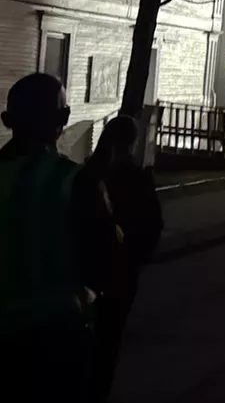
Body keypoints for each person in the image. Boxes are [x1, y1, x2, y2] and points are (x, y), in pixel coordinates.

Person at [0, 73, 119, 402]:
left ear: (7, 120)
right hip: (56, 339)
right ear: (64, 119)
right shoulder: (76, 183)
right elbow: (108, 263)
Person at [84, 116, 163, 401]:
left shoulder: (90, 174)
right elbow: (153, 225)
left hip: (88, 272)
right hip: (121, 272)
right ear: (133, 142)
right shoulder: (137, 177)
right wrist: (136, 259)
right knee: (108, 344)